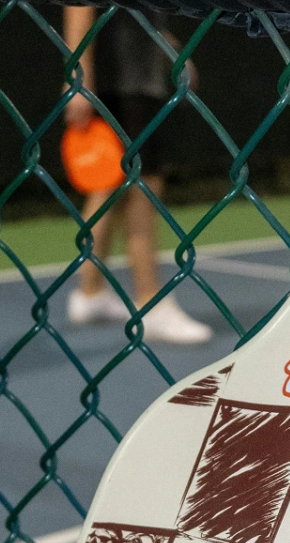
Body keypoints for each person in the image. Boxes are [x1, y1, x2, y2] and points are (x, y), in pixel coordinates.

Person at [62, 7, 212, 343]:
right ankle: (150, 302)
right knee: (144, 188)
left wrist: (172, 48)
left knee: (109, 188)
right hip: (125, 80)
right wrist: (78, 78)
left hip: (132, 77)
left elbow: (145, 16)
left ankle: (89, 293)